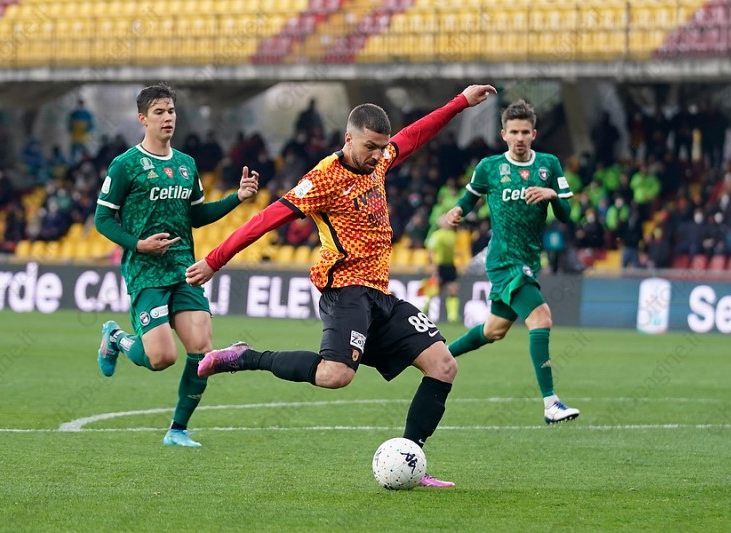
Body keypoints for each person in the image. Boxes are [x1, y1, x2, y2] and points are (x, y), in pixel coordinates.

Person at [185, 84, 497, 487]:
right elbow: (266, 220)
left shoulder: (379, 161)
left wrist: (460, 103)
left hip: (380, 295)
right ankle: (245, 357)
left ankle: (410, 459)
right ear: (348, 138)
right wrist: (215, 260)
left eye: (382, 147)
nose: (379, 155)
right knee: (335, 375)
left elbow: (415, 134)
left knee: (444, 365)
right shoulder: (323, 180)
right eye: (370, 147)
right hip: (345, 291)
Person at [94, 82, 259, 447]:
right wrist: (139, 244)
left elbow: (196, 216)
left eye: (171, 111)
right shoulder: (125, 165)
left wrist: (237, 197)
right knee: (161, 358)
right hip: (146, 272)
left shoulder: (186, 164)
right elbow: (102, 220)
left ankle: (177, 430)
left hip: (184, 269)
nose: (167, 117)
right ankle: (116, 338)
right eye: (159, 112)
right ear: (143, 119)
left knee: (202, 349)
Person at [444, 99, 580, 425]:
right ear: (503, 134)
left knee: (494, 330)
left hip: (529, 259)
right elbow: (471, 196)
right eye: (514, 132)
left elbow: (566, 215)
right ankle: (551, 404)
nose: (519, 138)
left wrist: (553, 196)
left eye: (525, 132)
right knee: (541, 318)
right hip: (504, 260)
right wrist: (458, 210)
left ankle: (438, 355)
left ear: (534, 134)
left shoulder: (548, 165)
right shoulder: (490, 167)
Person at [422, 215, 460, 324]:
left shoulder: (453, 234)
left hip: (450, 265)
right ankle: (422, 309)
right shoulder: (437, 235)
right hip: (440, 265)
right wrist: (433, 265)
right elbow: (430, 251)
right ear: (441, 223)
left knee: (453, 289)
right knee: (435, 290)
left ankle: (452, 316)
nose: (448, 222)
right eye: (445, 221)